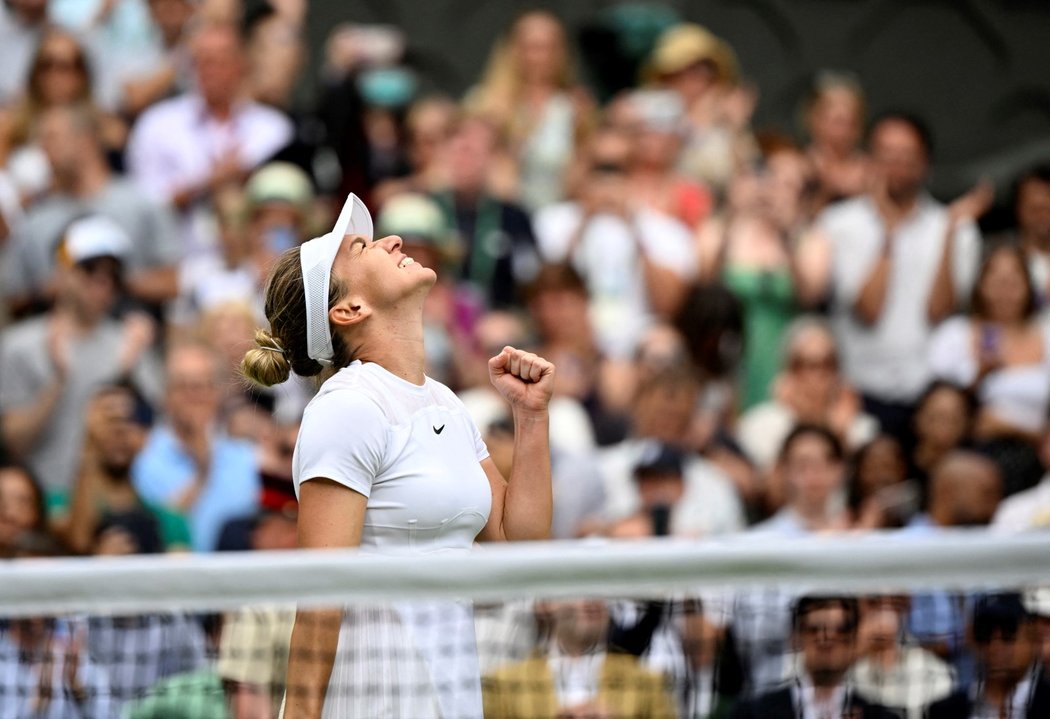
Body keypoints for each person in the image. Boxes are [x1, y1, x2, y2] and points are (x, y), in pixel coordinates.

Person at [238, 192, 555, 718]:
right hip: (373, 697)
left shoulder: (445, 402)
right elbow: (320, 596)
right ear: (348, 309)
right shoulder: (347, 408)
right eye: (363, 247)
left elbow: (517, 543)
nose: (393, 240)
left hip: (450, 695)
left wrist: (532, 418)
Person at [821, 113, 982, 442]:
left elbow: (940, 311)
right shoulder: (838, 225)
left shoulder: (957, 230)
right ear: (868, 159)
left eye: (907, 156)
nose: (896, 166)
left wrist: (948, 234)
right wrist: (889, 233)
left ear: (926, 163)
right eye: (886, 155)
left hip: (927, 396)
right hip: (858, 390)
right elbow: (868, 309)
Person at [0, 215, 162, 514]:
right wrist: (58, 381)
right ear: (61, 272)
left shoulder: (129, 342)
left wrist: (126, 374)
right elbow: (14, 443)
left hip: (112, 504)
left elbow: (151, 438)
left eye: (113, 274)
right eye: (89, 269)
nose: (102, 281)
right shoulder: (19, 346)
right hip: (45, 505)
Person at [928, 244, 1050, 497]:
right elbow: (935, 406)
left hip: (1037, 452)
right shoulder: (954, 334)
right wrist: (980, 375)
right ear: (980, 285)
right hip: (967, 454)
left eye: (1013, 282)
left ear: (1029, 287)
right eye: (996, 281)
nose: (1005, 292)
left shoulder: (1047, 335)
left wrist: (1011, 429)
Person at [132, 341, 260, 553]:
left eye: (204, 386)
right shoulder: (143, 457)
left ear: (218, 394)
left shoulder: (247, 457)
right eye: (183, 387)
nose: (194, 396)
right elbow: (158, 530)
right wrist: (201, 473)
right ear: (166, 396)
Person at [481, 598, 677, 719]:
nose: (592, 600)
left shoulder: (648, 682)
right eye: (578, 586)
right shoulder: (502, 684)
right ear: (545, 604)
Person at [731, 595, 895, 719]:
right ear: (797, 637)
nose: (826, 639)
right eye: (814, 629)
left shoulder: (880, 716)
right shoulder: (753, 712)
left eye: (840, 629)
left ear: (853, 638)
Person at [926, 593, 1050, 719]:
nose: (995, 646)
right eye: (985, 633)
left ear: (1033, 639)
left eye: (1008, 634)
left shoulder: (1046, 703)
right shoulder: (946, 711)